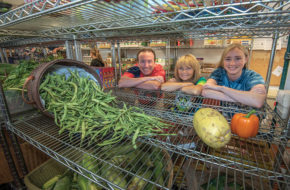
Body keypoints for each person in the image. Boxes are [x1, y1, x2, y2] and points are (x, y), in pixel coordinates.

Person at [202, 43, 266, 108]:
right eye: (228, 59)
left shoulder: (253, 76)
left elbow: (257, 101)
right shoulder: (219, 73)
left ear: (246, 59)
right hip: (224, 116)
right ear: (223, 60)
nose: (232, 63)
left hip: (249, 117)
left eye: (238, 58)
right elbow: (206, 92)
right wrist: (245, 100)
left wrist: (221, 88)